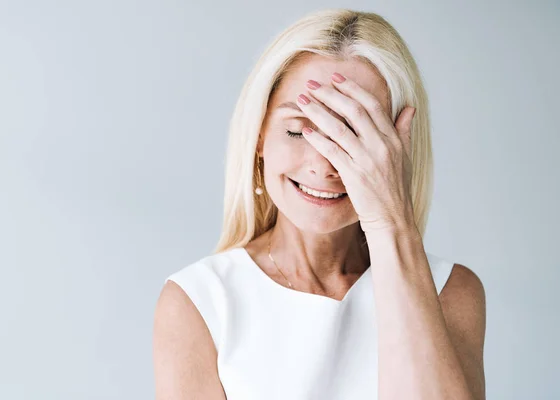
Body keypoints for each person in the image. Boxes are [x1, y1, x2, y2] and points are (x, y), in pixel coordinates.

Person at [152, 8, 486, 400]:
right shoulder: (200, 302)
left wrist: (390, 224)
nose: (324, 164)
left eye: (354, 134)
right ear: (259, 136)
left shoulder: (451, 291)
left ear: (397, 150)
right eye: (297, 130)